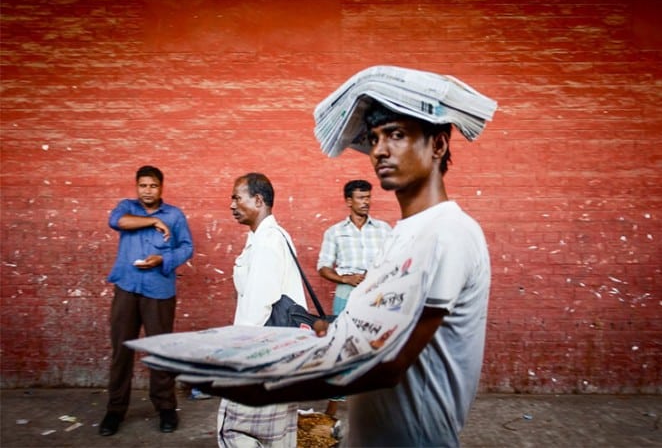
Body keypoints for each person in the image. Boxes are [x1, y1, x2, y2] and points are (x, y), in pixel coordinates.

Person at [200, 94, 492, 447]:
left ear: (439, 145)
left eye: (396, 135)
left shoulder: (448, 232)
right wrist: (326, 330)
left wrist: (264, 379)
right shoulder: (400, 236)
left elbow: (389, 360)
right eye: (374, 139)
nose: (380, 150)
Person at [99, 165, 194, 436]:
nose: (148, 190)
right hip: (126, 288)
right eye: (143, 185)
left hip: (159, 290)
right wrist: (152, 221)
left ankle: (165, 408)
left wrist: (163, 259)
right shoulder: (126, 208)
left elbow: (187, 247)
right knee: (121, 351)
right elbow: (117, 222)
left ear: (161, 187)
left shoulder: (174, 215)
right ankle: (115, 411)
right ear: (136, 187)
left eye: (153, 185)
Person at [217, 172, 307, 447]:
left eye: (237, 198)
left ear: (258, 200)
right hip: (275, 353)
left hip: (261, 355)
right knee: (273, 432)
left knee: (235, 430)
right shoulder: (263, 237)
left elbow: (256, 308)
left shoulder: (268, 241)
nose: (231, 205)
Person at [316, 179, 391, 416]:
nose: (366, 202)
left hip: (377, 297)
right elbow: (323, 267)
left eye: (368, 197)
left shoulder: (384, 230)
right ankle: (331, 411)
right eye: (361, 198)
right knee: (342, 351)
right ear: (349, 201)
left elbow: (395, 262)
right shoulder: (335, 232)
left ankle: (379, 409)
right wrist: (346, 279)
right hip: (346, 297)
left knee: (379, 348)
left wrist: (377, 275)